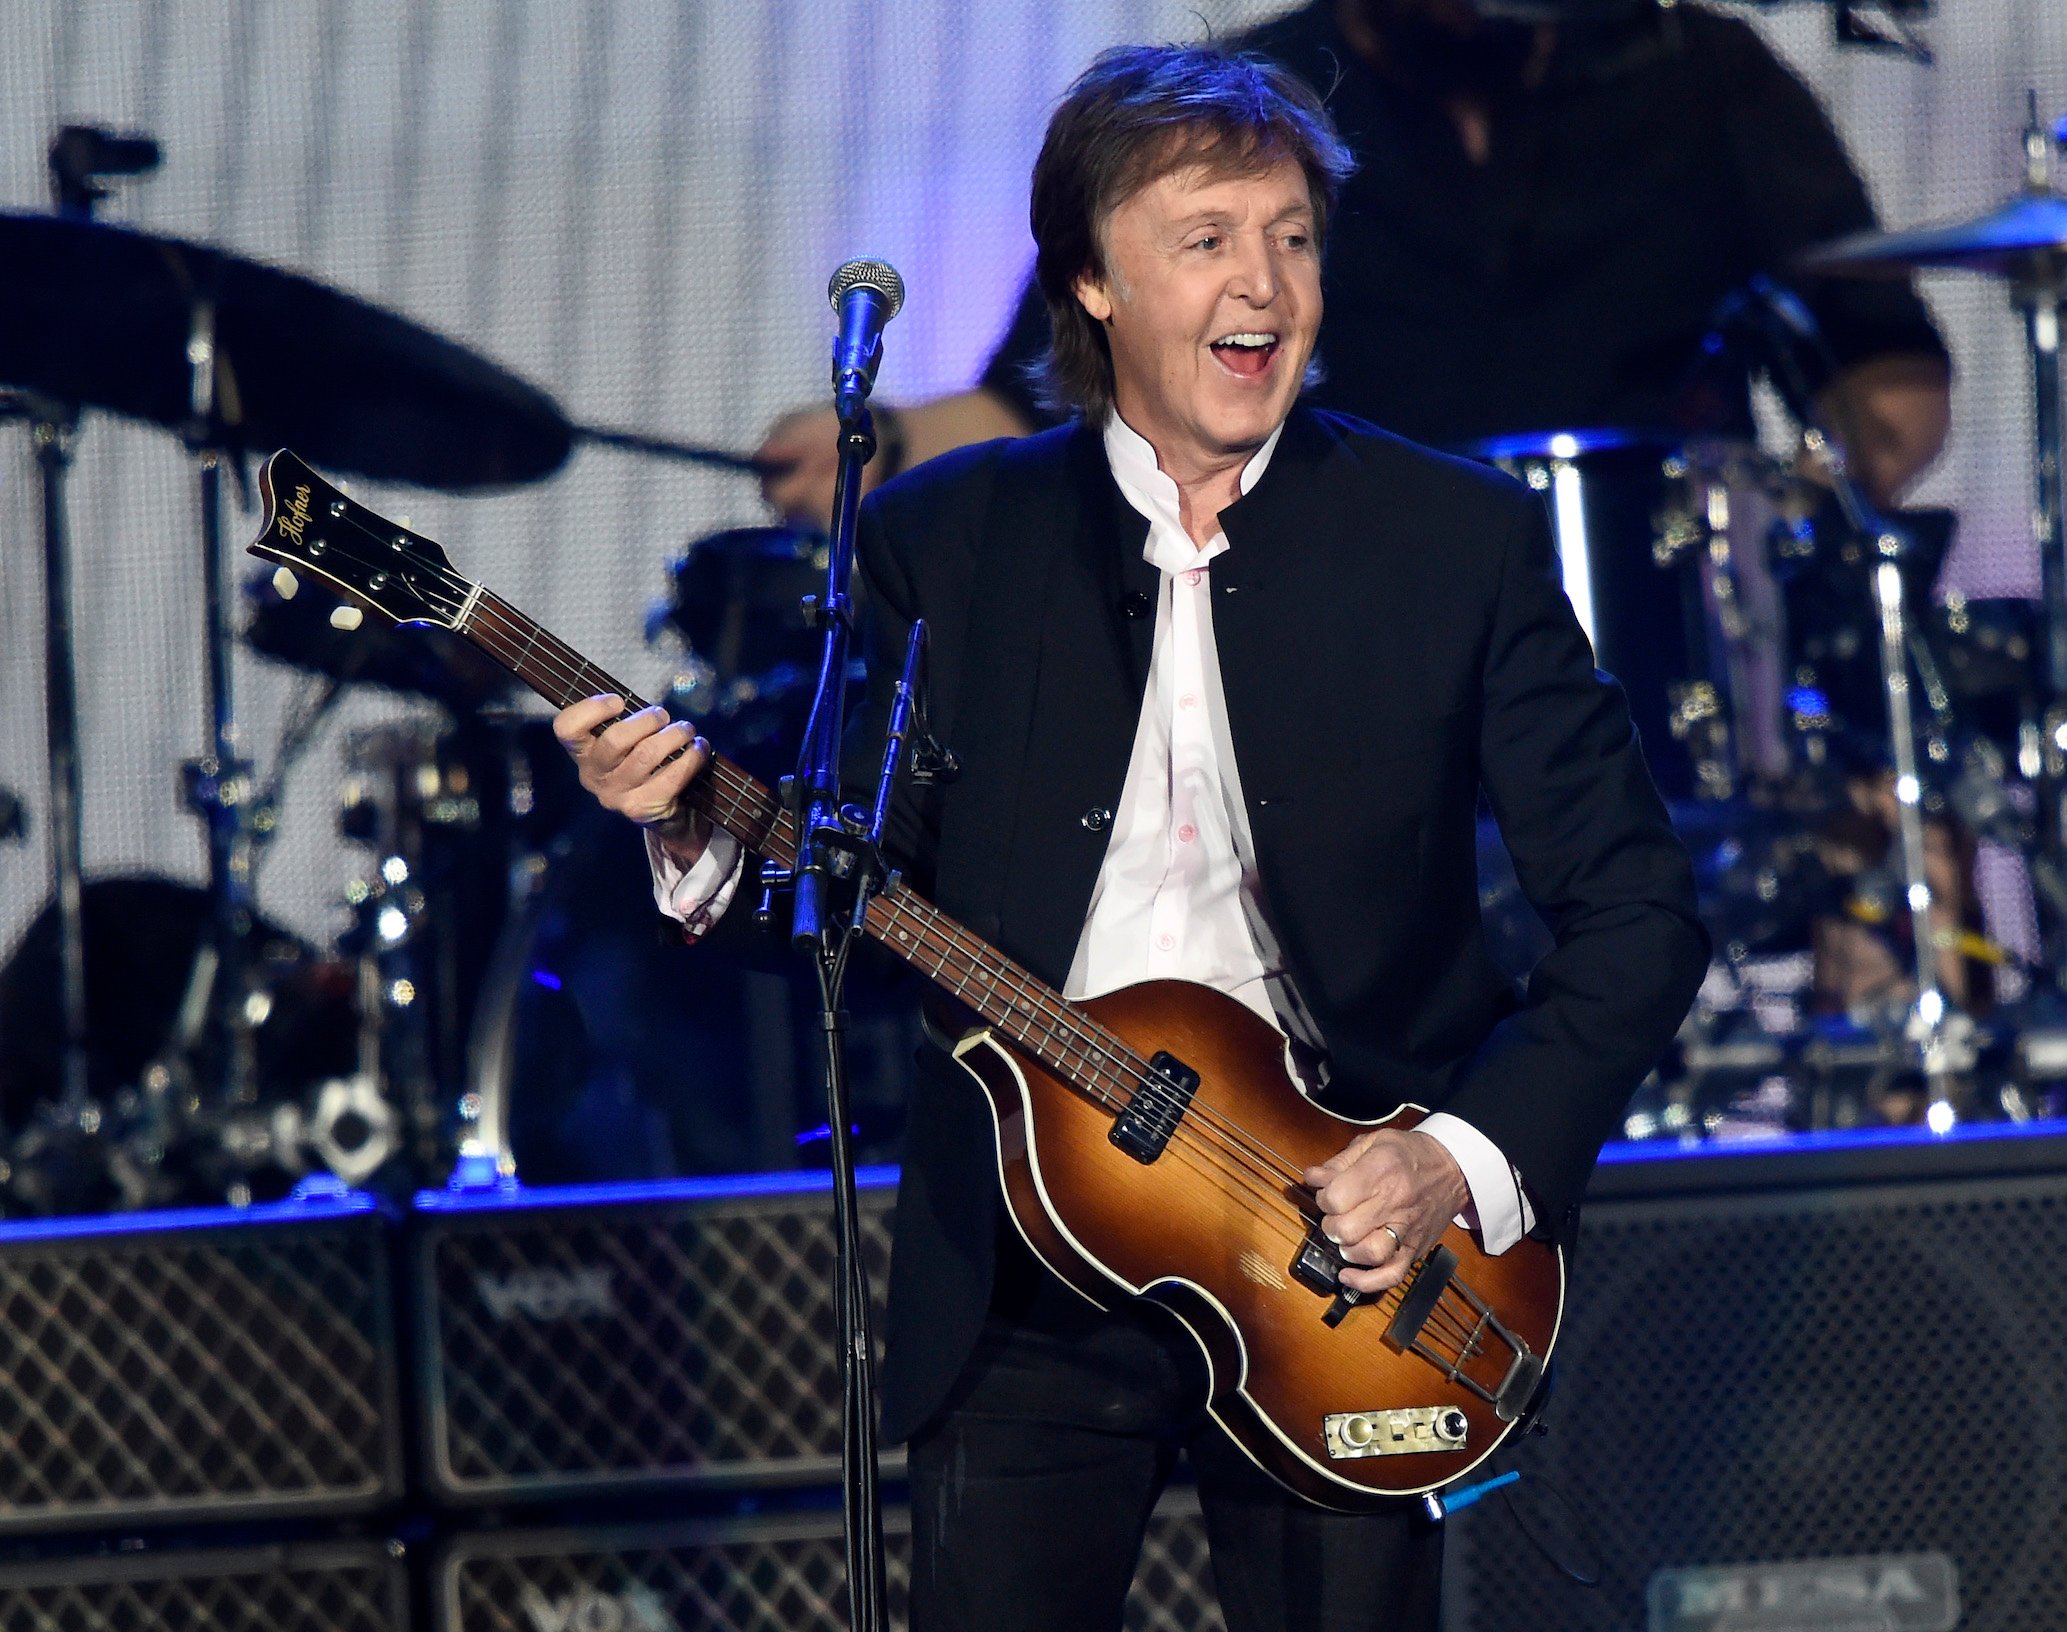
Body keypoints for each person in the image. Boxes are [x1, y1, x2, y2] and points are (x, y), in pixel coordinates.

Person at [555, 43, 1708, 1631]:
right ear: (1090, 283)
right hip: (1026, 1267)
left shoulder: (1453, 539)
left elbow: (1638, 910)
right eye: (1207, 237)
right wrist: (682, 827)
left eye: (1290, 235)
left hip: (1349, 1259)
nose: (1265, 282)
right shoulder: (942, 543)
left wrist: (1449, 1165)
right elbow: (841, 907)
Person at [757, 0, 1949, 527]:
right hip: (1341, 649)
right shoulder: (1237, 103)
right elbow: (1045, 393)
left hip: (1662, 637)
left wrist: (1794, 550)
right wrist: (882, 444)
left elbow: (1884, 375)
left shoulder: (1698, 71)